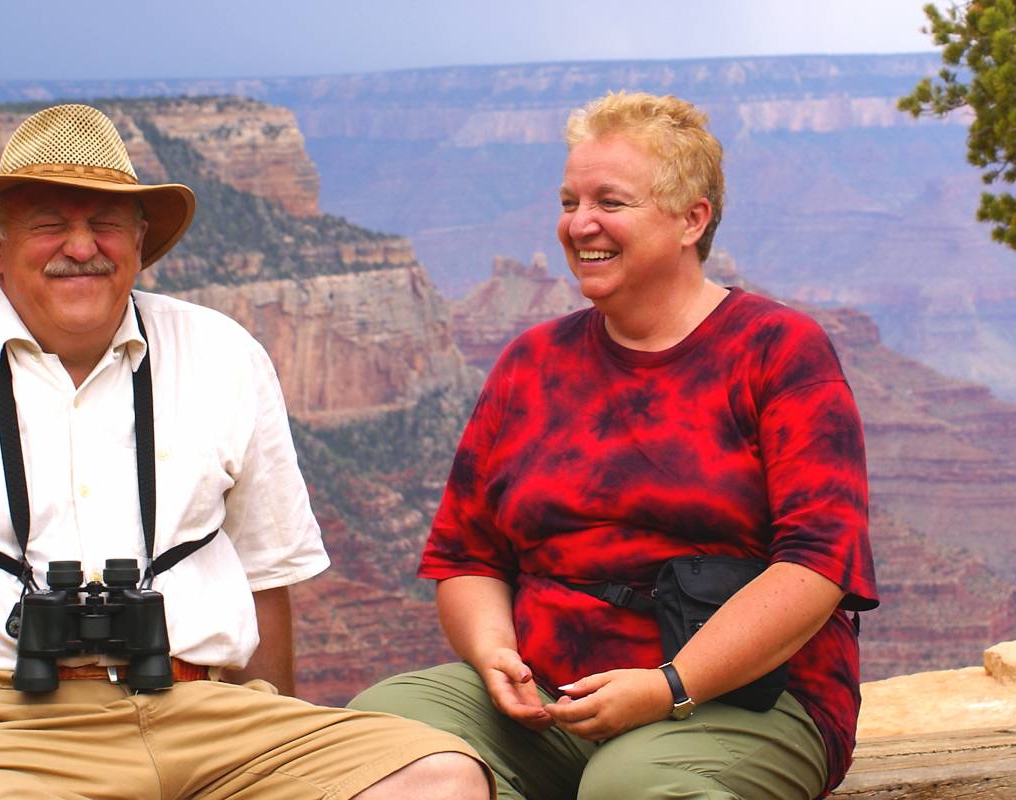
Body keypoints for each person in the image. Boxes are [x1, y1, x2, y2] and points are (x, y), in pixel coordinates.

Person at [0, 104, 488, 800]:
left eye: (105, 222)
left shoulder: (225, 356)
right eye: (49, 224)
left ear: (140, 241)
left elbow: (267, 582)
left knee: (442, 778)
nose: (81, 247)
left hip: (201, 713)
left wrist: (273, 754)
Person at [348, 91, 878, 799]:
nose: (579, 224)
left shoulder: (778, 352)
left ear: (692, 219)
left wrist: (670, 687)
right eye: (570, 201)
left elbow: (817, 566)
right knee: (374, 735)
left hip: (742, 697)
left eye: (610, 202)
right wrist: (494, 653)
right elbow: (467, 555)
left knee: (627, 786)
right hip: (550, 694)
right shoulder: (530, 363)